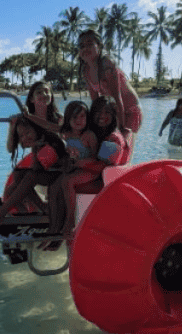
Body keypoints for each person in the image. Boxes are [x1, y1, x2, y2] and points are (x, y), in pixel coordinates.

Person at [45, 96, 129, 246]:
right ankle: (55, 230)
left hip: (107, 183)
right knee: (54, 185)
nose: (102, 116)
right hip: (98, 176)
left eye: (107, 112)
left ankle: (67, 226)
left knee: (64, 184)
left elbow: (100, 166)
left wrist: (76, 163)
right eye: (98, 112)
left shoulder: (112, 139)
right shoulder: (97, 133)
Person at [77, 29, 142, 155]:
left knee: (122, 148)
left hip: (131, 111)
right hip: (116, 111)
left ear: (100, 46)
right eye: (81, 46)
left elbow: (118, 99)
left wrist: (121, 130)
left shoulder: (106, 64)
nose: (85, 48)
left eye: (90, 44)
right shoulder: (86, 70)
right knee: (106, 147)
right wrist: (91, 129)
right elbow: (96, 103)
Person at [0, 117, 67, 224]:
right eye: (21, 136)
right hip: (50, 174)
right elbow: (10, 149)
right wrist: (11, 128)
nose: (25, 138)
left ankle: (2, 212)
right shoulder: (37, 142)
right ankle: (25, 216)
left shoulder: (49, 140)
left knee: (30, 176)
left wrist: (35, 147)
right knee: (14, 182)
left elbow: (38, 169)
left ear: (36, 129)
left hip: (62, 175)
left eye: (28, 132)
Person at [5, 80, 62, 152]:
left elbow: (60, 130)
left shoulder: (59, 118)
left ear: (51, 96)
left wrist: (30, 116)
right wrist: (12, 127)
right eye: (39, 92)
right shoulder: (25, 122)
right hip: (39, 159)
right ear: (32, 99)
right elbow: (10, 149)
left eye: (47, 91)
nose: (44, 94)